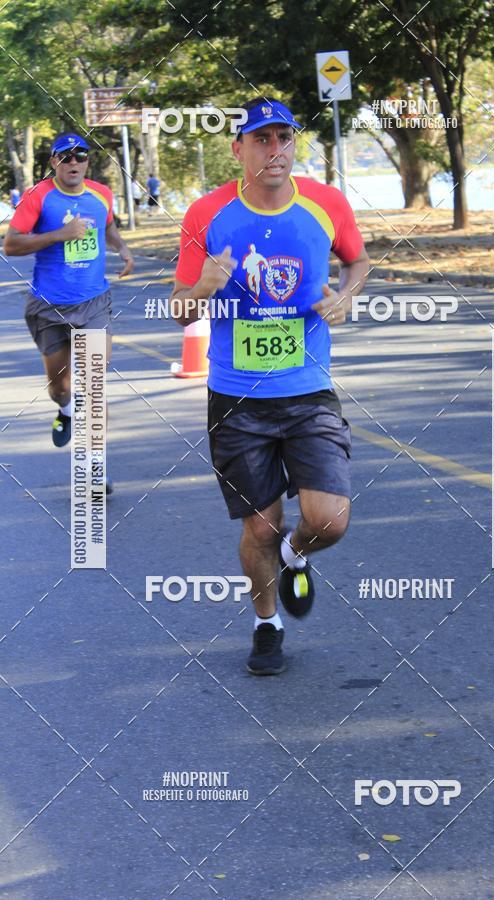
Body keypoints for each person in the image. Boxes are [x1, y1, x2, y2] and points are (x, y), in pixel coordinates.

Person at [170, 98, 369, 674]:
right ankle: (266, 625)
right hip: (237, 398)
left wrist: (345, 297)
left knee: (328, 519)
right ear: (238, 150)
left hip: (307, 390)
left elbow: (357, 261)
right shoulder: (206, 213)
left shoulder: (326, 203)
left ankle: (294, 556)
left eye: (284, 138)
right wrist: (205, 285)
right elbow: (181, 312)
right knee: (261, 524)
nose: (275, 150)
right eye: (261, 139)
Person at [3, 132, 134, 491]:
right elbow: (11, 245)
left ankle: (94, 467)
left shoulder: (101, 194)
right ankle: (64, 410)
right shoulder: (38, 197)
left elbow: (107, 224)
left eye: (81, 156)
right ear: (54, 163)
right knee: (60, 387)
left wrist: (122, 249)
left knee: (93, 384)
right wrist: (60, 234)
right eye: (66, 157)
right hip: (47, 306)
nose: (74, 162)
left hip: (93, 302)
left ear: (88, 161)